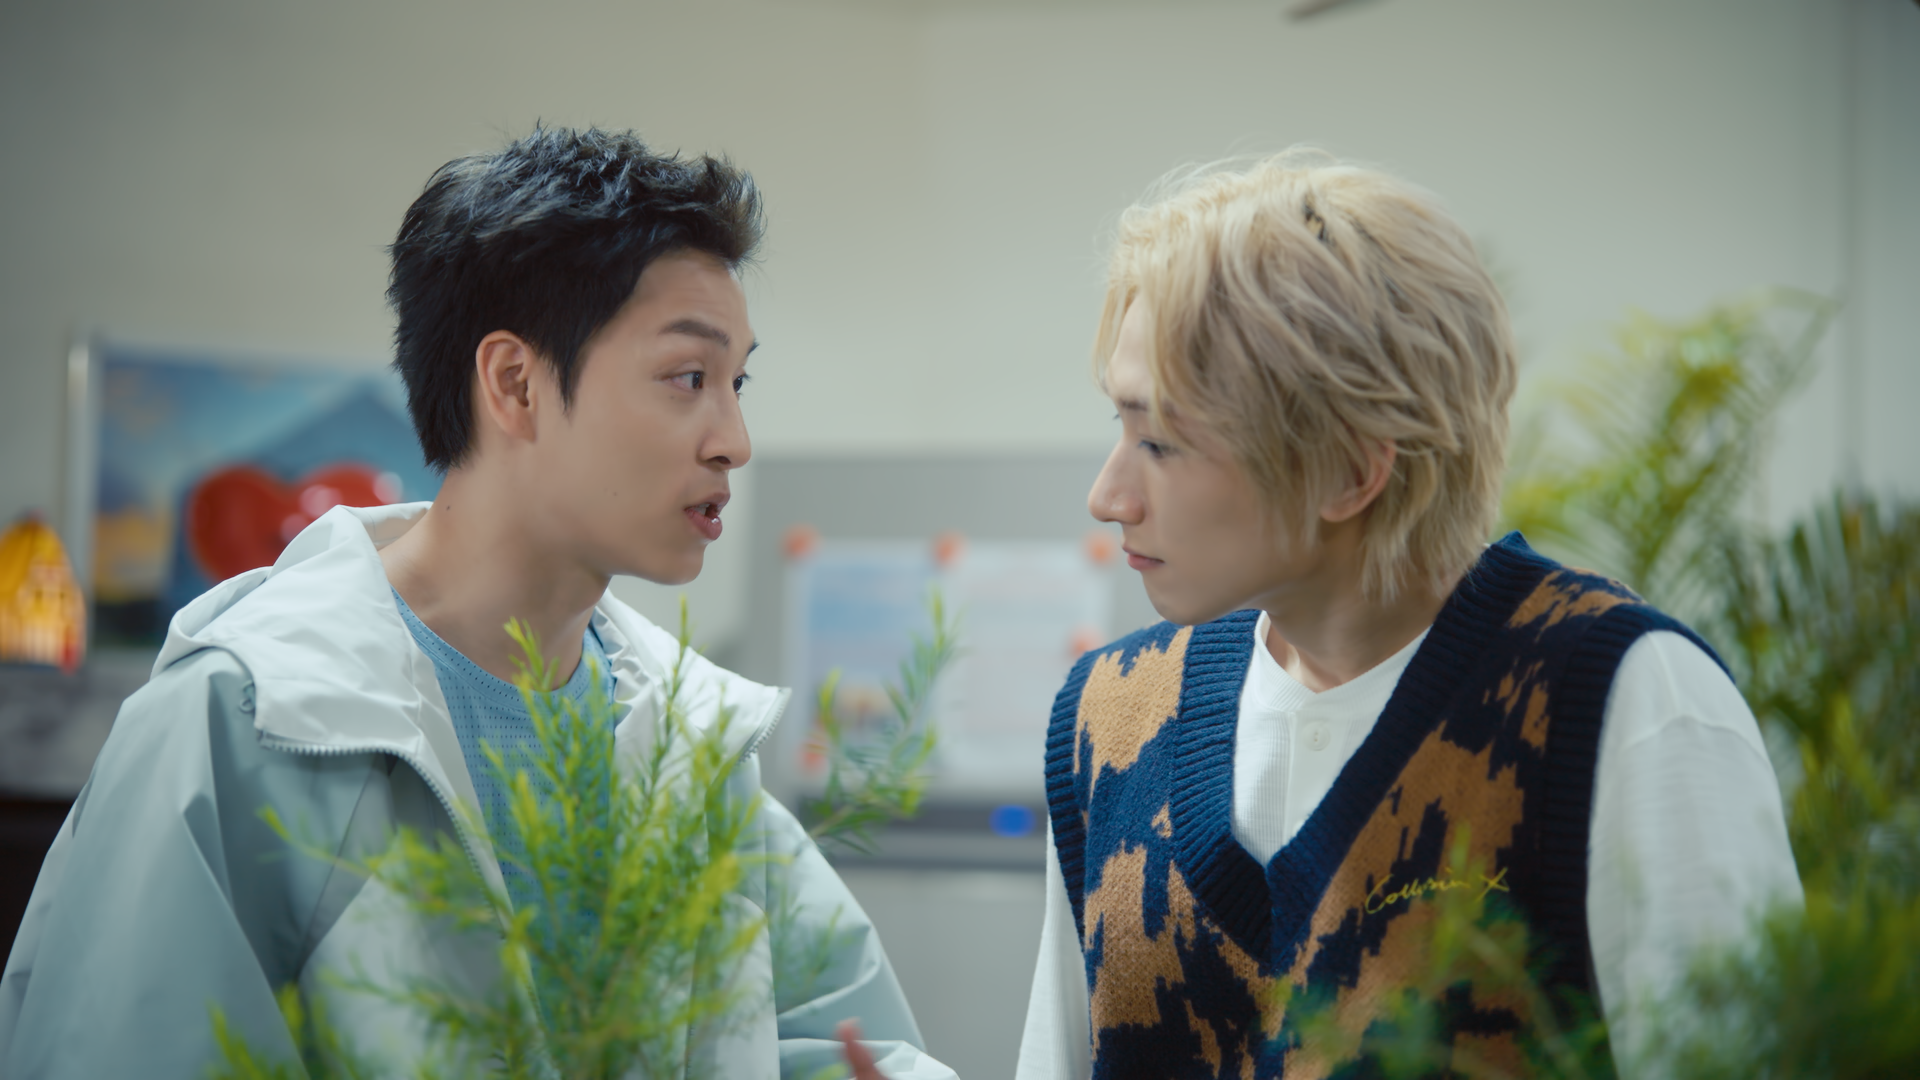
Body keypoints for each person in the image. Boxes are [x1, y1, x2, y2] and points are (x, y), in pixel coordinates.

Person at [0, 127, 949, 1080]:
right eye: (689, 378)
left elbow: (839, 1042)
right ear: (515, 384)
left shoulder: (693, 744)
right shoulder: (236, 724)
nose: (733, 439)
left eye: (736, 383)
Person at [1015, 153, 1802, 1078]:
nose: (1108, 496)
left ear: (1351, 471)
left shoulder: (1619, 704)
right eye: (1119, 425)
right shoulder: (1112, 721)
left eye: (1158, 441)